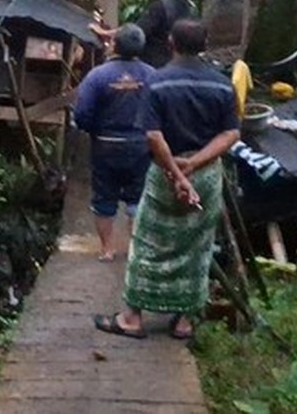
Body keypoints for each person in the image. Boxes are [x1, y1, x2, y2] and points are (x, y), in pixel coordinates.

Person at [93, 18, 240, 340]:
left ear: (171, 43)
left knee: (148, 241)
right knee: (197, 245)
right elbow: (231, 133)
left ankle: (132, 318)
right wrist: (196, 164)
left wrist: (175, 170)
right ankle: (184, 320)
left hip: (164, 172)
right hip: (205, 175)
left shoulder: (158, 83)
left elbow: (154, 136)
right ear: (204, 46)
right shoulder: (222, 84)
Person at [72, 24, 155, 262]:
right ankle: (136, 251)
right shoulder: (151, 75)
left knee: (104, 198)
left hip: (106, 145)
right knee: (138, 197)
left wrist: (94, 131)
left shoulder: (97, 76)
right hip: (142, 145)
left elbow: (82, 114)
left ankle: (107, 249)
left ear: (114, 45)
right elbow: (161, 109)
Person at [90, 0, 197, 68]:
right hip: (175, 64)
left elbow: (136, 32)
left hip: (154, 64)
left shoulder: (160, 6)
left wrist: (105, 33)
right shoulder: (189, 8)